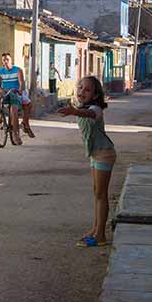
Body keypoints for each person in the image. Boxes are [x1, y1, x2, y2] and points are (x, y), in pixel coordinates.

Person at [58, 75, 116, 248]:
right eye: (80, 87)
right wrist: (74, 109)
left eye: (87, 89)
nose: (82, 91)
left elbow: (89, 114)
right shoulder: (82, 106)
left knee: (101, 194)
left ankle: (100, 235)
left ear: (96, 95)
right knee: (97, 193)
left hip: (104, 153)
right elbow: (82, 111)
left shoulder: (96, 109)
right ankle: (96, 229)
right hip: (95, 154)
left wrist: (74, 111)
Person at [0, 53, 35, 145]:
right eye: (4, 60)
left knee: (16, 108)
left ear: (11, 60)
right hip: (5, 91)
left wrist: (20, 90)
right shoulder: (0, 71)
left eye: (7, 59)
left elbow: (21, 82)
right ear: (2, 62)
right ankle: (0, 114)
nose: (6, 61)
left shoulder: (18, 70)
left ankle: (16, 133)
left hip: (15, 91)